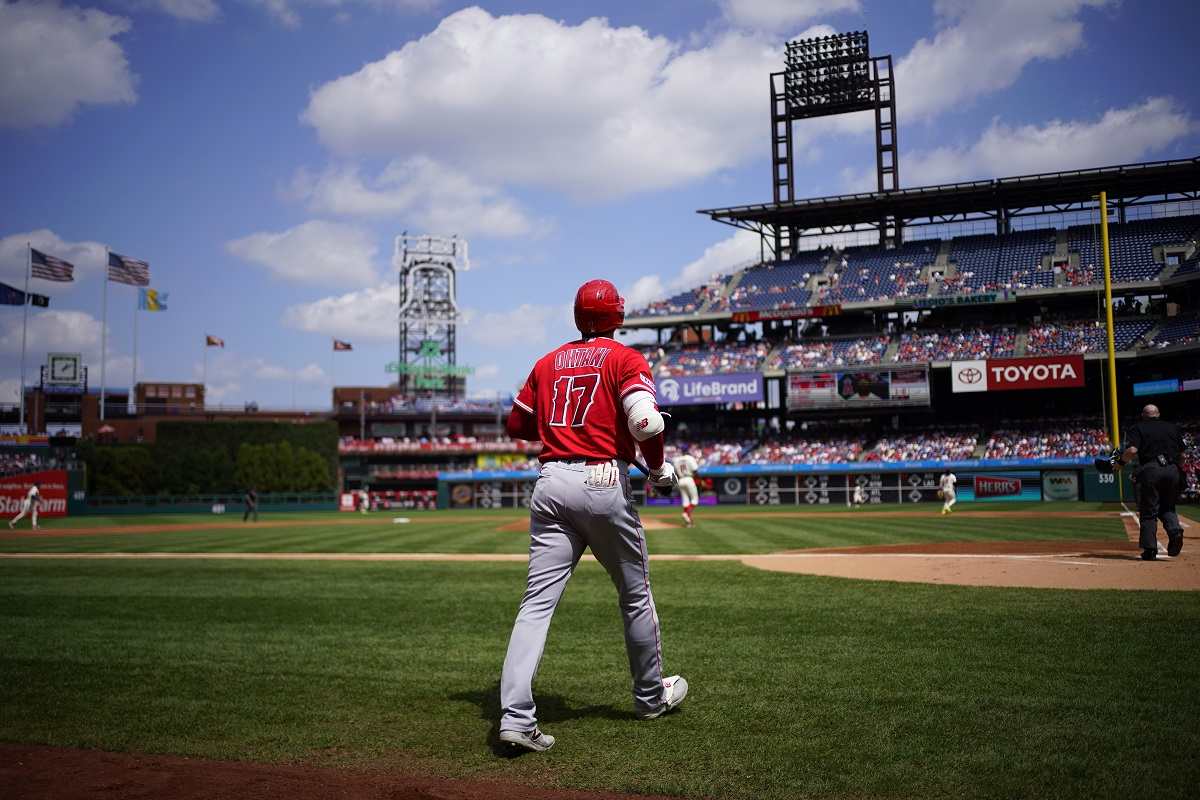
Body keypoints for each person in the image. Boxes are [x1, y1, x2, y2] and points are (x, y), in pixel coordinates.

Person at [497, 278, 687, 753]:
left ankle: (515, 718)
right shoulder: (625, 358)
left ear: (577, 315)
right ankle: (649, 698)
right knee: (635, 595)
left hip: (551, 481)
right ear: (618, 317)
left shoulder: (548, 361)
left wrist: (562, 432)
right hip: (603, 482)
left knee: (535, 606)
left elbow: (516, 423)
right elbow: (645, 421)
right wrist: (659, 466)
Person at [1116, 404, 1185, 561]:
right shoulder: (1172, 428)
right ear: (1158, 414)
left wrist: (1120, 463)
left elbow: (1132, 451)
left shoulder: (1138, 428)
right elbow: (1183, 455)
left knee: (1148, 512)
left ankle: (1150, 550)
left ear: (1143, 415)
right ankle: (1175, 531)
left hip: (1151, 470)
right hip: (1172, 469)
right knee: (1168, 506)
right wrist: (1176, 469)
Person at [672, 448, 700, 527]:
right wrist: (699, 480)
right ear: (687, 452)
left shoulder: (677, 460)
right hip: (689, 478)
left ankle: (688, 522)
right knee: (695, 500)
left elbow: (675, 473)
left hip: (680, 480)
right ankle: (686, 514)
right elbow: (695, 471)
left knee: (685, 500)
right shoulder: (690, 458)